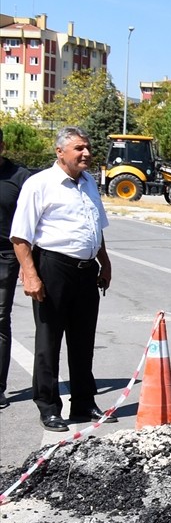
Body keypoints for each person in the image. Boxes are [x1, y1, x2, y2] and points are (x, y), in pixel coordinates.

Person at [10, 127, 113, 431]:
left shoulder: (89, 182)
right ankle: (49, 406)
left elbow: (97, 227)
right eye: (79, 148)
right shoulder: (39, 184)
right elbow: (20, 237)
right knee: (49, 340)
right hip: (53, 267)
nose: (87, 153)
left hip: (86, 270)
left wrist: (104, 263)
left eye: (88, 147)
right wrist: (30, 275)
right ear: (60, 152)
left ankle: (83, 402)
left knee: (83, 340)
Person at [0, 127, 32, 410]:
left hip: (5, 256)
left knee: (0, 319)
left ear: (2, 145)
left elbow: (33, 222)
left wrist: (27, 262)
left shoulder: (20, 177)